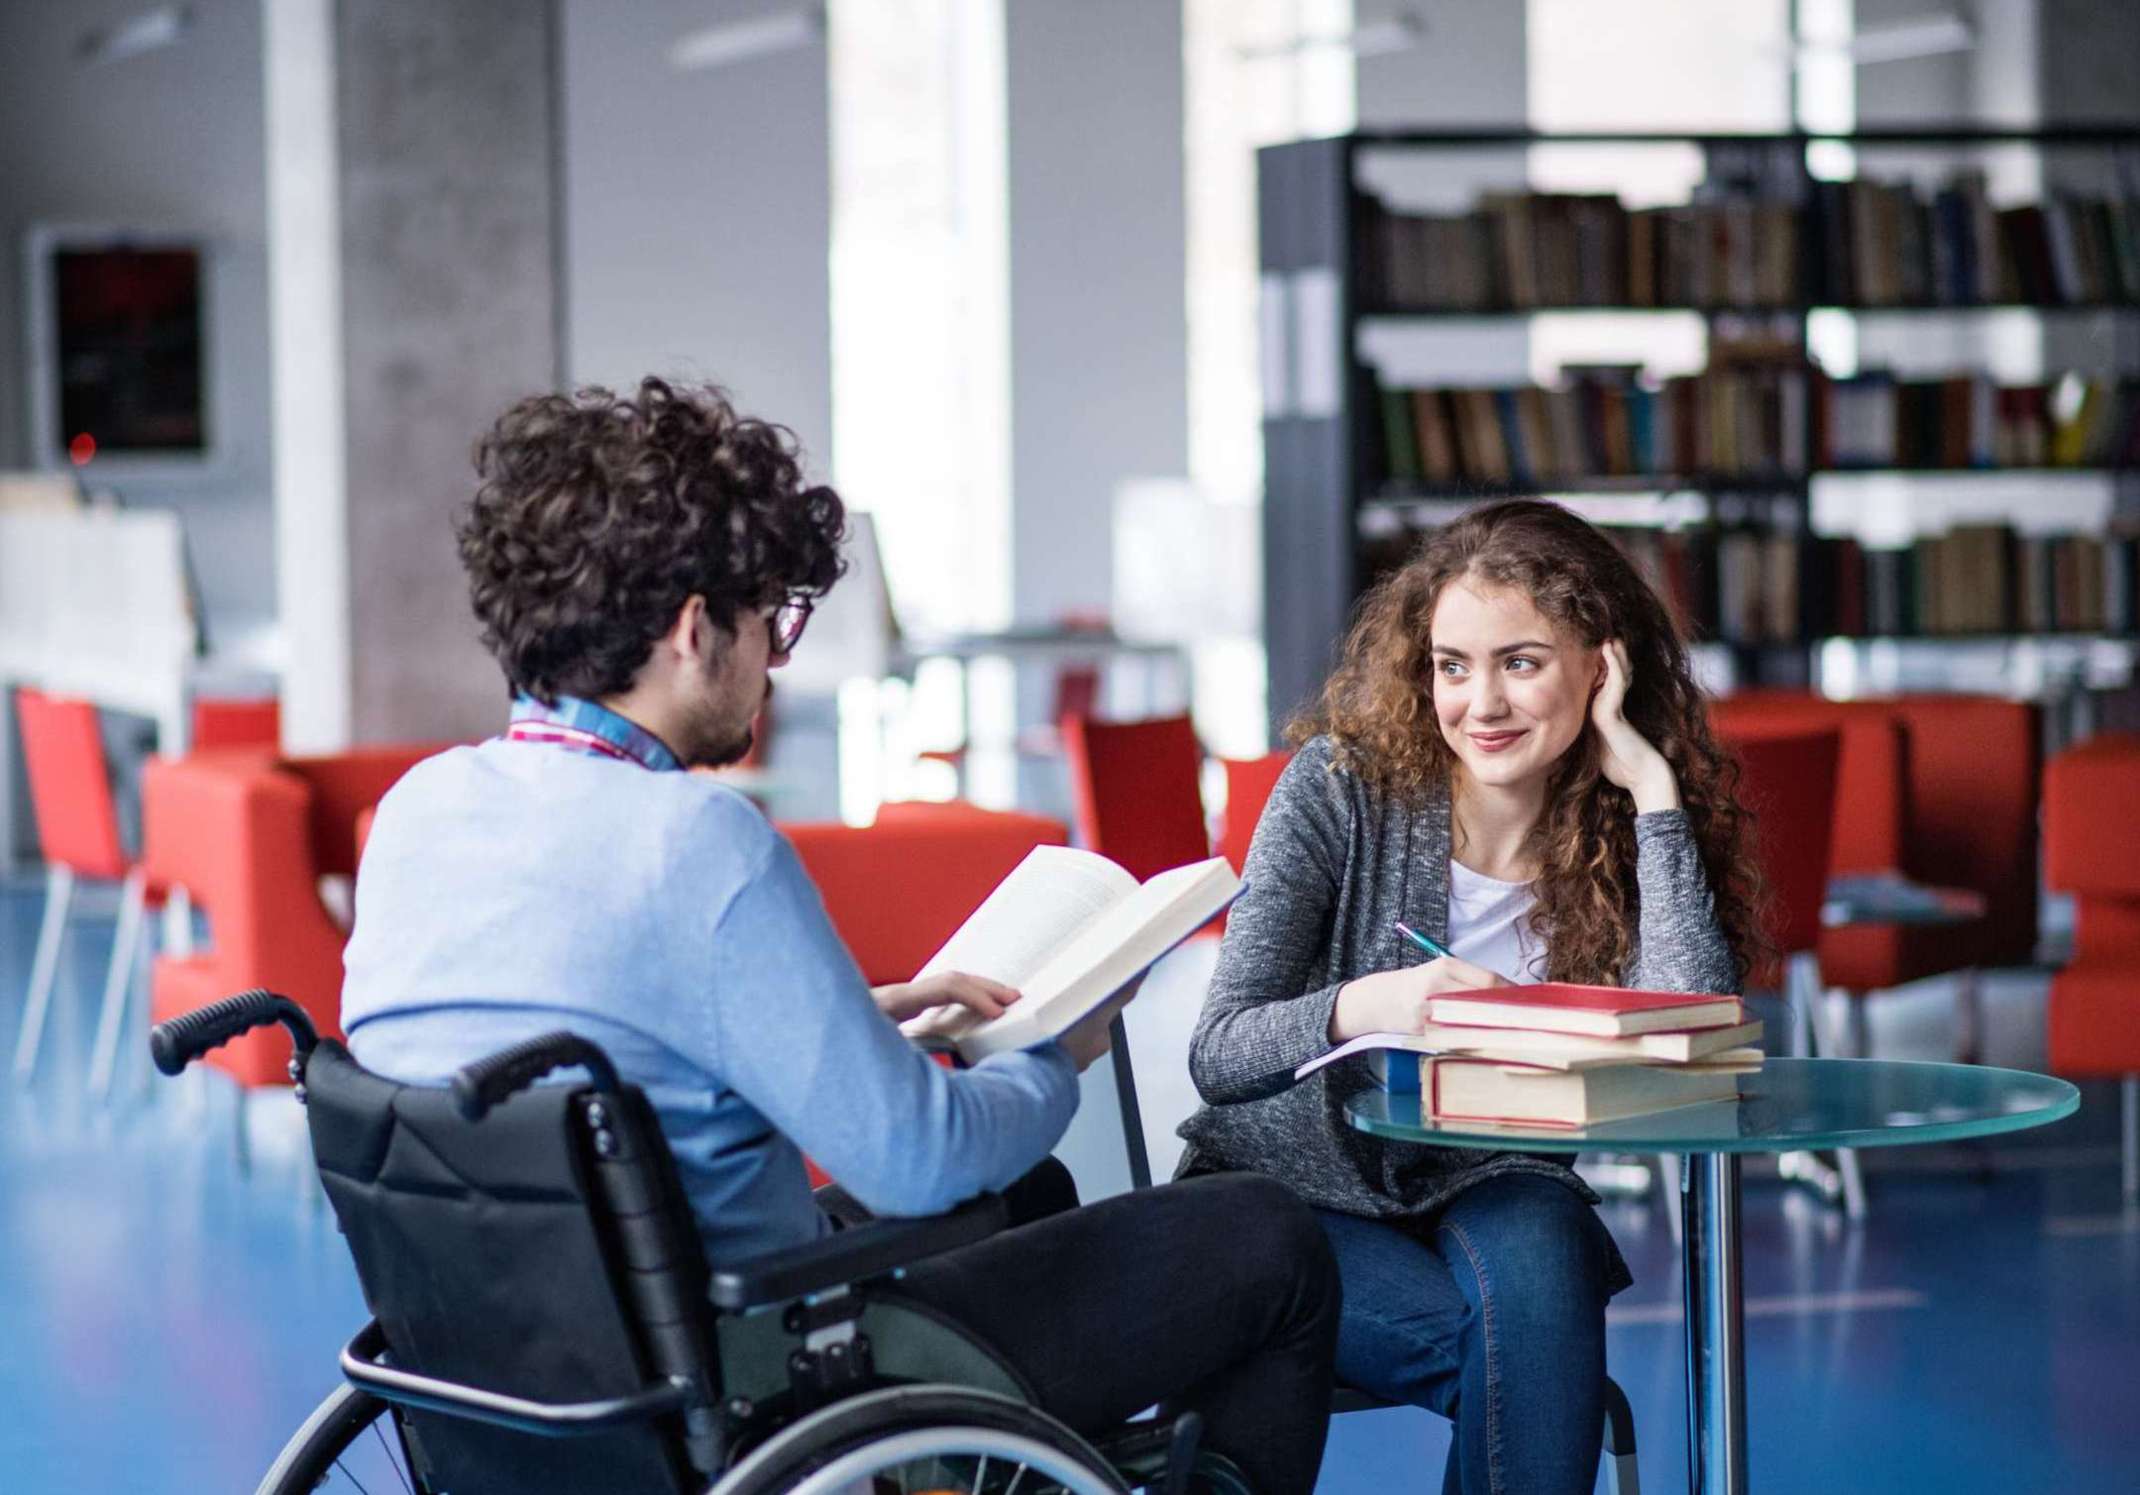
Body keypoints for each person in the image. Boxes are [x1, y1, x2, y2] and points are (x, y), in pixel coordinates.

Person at [339, 376, 1338, 1494]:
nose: (777, 660)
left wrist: (848, 1022)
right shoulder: (697, 840)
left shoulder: (424, 809)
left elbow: (566, 1047)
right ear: (692, 630)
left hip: (520, 1358)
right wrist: (1058, 1055)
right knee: (1264, 1237)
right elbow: (918, 1162)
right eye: (774, 621)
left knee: (1032, 1200)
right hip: (760, 1369)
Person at [1177, 498, 1764, 1495]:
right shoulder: (1338, 789)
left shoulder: (1623, 826)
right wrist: (1371, 1004)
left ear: (1600, 664)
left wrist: (1653, 793)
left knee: (1550, 1260)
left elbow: (1691, 1039)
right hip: (1287, 1196)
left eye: (1520, 662)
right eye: (1454, 665)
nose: (1479, 703)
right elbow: (1219, 1050)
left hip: (1495, 1174)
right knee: (1532, 1361)